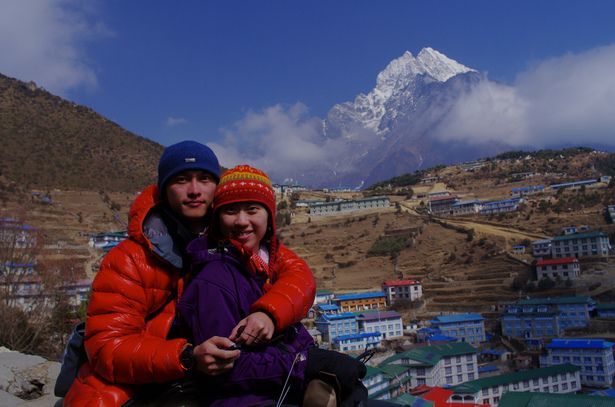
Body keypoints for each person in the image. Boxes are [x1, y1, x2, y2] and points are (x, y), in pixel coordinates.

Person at [64, 141, 316, 406]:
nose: (194, 191)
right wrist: (185, 357)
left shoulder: (232, 238)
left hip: (205, 382)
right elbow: (106, 348)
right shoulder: (129, 259)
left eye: (205, 179)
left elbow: (299, 276)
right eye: (181, 180)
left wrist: (270, 312)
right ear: (164, 190)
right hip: (135, 392)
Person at [175, 165, 368, 406]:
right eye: (231, 211)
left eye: (252, 210)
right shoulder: (213, 279)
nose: (242, 221)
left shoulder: (263, 265)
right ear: (217, 219)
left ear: (269, 217)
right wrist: (305, 364)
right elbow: (225, 368)